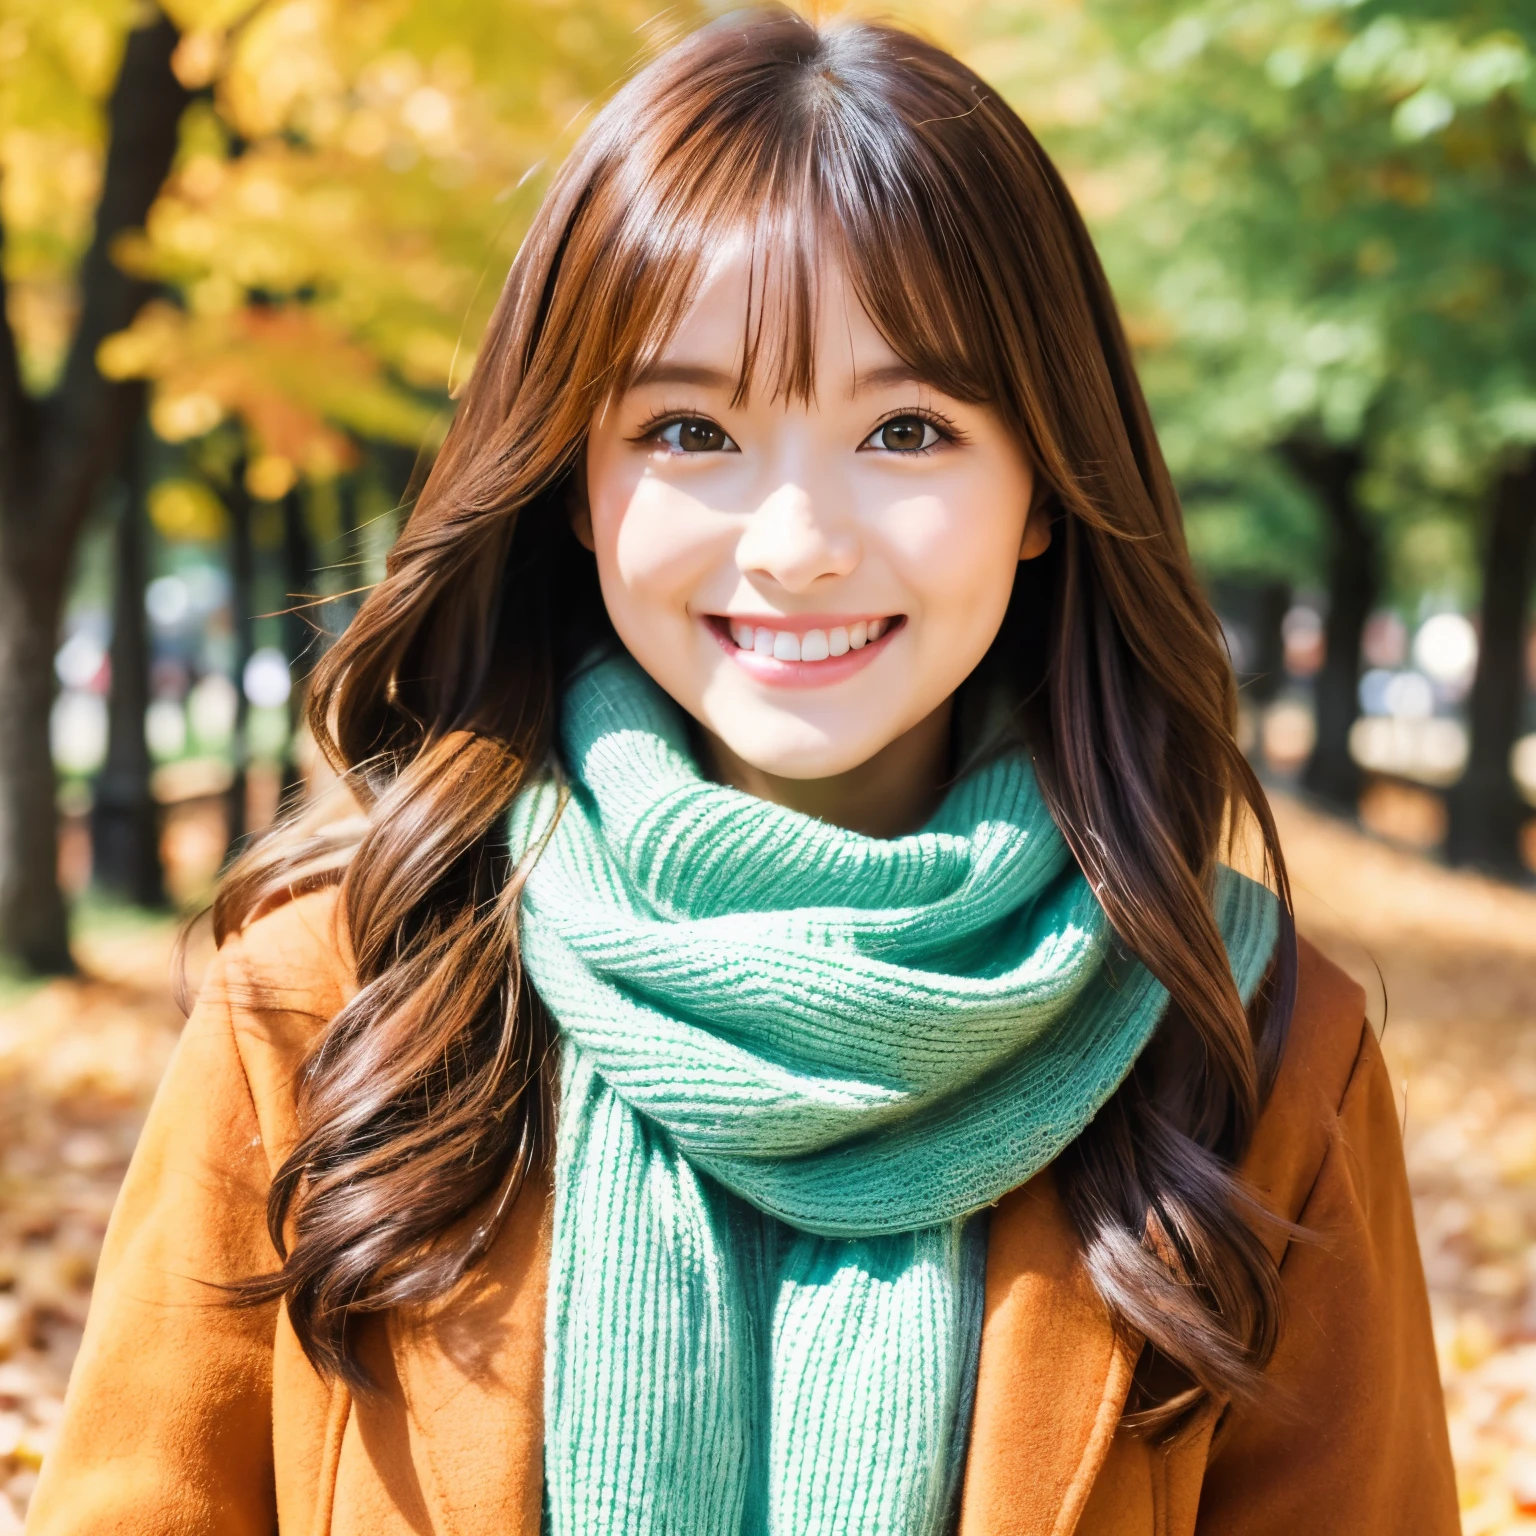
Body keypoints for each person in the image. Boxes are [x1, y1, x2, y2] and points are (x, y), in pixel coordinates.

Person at [28, 11, 1457, 1534]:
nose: (796, 543)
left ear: (1044, 483)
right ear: (576, 481)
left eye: (906, 429)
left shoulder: (1255, 1050)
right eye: (691, 428)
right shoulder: (337, 1000)